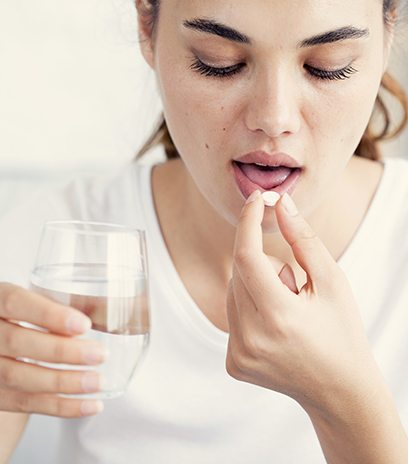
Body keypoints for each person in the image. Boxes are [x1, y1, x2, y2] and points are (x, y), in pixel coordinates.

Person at [1, 0, 408, 462]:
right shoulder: (54, 249)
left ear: (387, 36)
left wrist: (346, 402)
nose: (274, 119)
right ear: (146, 28)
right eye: (219, 62)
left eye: (326, 68)